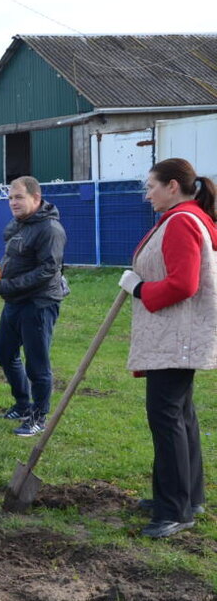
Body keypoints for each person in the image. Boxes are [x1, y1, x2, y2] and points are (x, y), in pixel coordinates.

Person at [120, 158, 217, 539]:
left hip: (177, 336)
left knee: (167, 419)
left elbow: (183, 284)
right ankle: (187, 497)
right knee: (181, 416)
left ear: (173, 186)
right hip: (178, 336)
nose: (148, 195)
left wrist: (140, 289)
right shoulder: (187, 219)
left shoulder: (181, 222)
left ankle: (174, 510)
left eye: (151, 187)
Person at [0, 176, 67, 437]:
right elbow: (11, 259)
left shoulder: (50, 229)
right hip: (16, 300)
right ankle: (23, 404)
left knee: (37, 365)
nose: (12, 202)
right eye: (10, 198)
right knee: (4, 353)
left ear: (36, 198)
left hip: (39, 303)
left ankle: (39, 417)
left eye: (18, 197)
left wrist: (5, 287)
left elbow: (48, 271)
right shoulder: (21, 225)